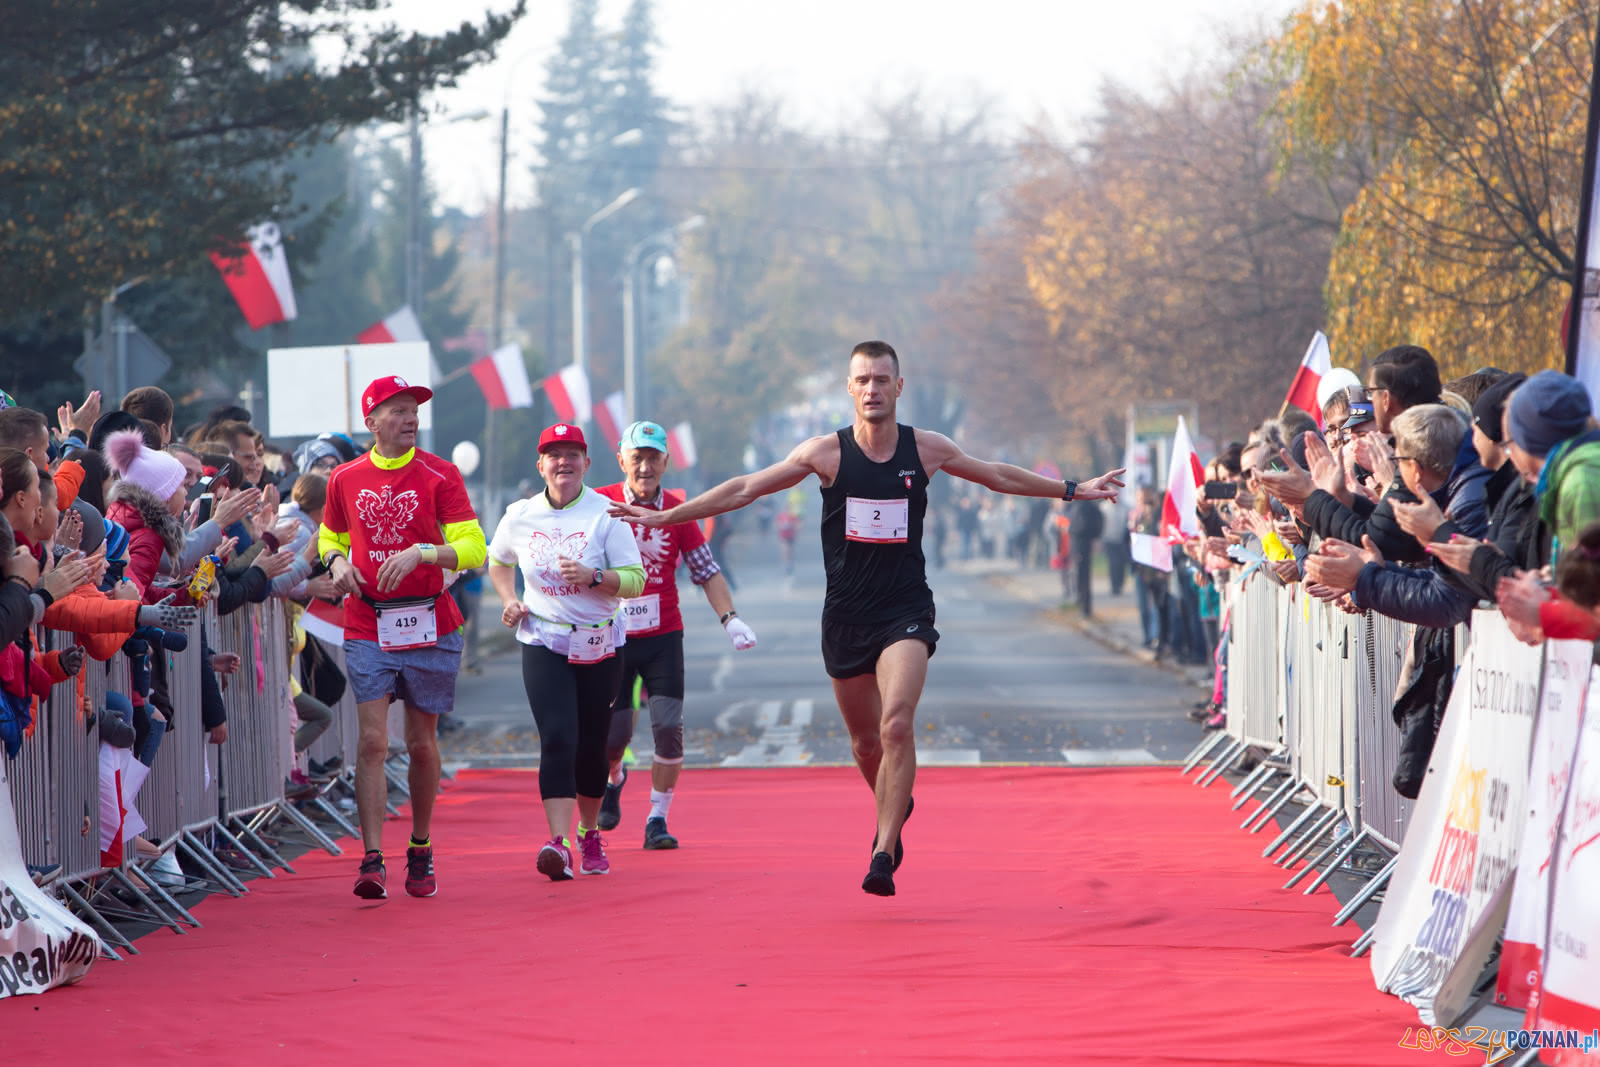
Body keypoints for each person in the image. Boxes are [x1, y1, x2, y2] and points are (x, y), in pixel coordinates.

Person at [608, 340, 1125, 896]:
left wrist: (1073, 489)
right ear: (850, 389)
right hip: (845, 617)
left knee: (896, 723)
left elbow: (997, 474)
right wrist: (669, 517)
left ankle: (883, 850)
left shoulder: (926, 449)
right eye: (863, 380)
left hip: (905, 609)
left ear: (899, 388)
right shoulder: (823, 454)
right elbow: (744, 489)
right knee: (864, 745)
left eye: (883, 379)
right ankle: (893, 805)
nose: (873, 389)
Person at [319, 375, 487, 901]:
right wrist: (337, 560)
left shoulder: (441, 475)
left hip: (430, 621)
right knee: (373, 740)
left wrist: (423, 552)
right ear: (371, 422)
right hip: (368, 621)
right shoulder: (344, 478)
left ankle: (420, 845)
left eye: (414, 409)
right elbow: (330, 533)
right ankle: (371, 858)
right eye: (398, 410)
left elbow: (475, 547)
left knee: (421, 743)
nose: (411, 417)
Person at [487, 423, 646, 881]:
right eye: (554, 455)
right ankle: (556, 844)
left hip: (599, 640)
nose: (564, 463)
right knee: (557, 737)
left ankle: (589, 832)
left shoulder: (608, 514)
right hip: (544, 639)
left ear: (586, 464)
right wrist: (509, 600)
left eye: (573, 454)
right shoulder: (520, 514)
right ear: (541, 465)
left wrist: (595, 578)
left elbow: (635, 581)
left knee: (592, 745)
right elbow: (499, 560)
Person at [594, 421, 759, 849]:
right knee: (613, 738)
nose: (645, 468)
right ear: (622, 461)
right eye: (638, 458)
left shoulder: (680, 511)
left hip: (663, 635)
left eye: (653, 458)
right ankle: (614, 777)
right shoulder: (598, 505)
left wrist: (731, 619)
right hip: (611, 637)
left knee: (668, 728)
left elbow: (706, 571)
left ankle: (657, 819)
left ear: (665, 462)